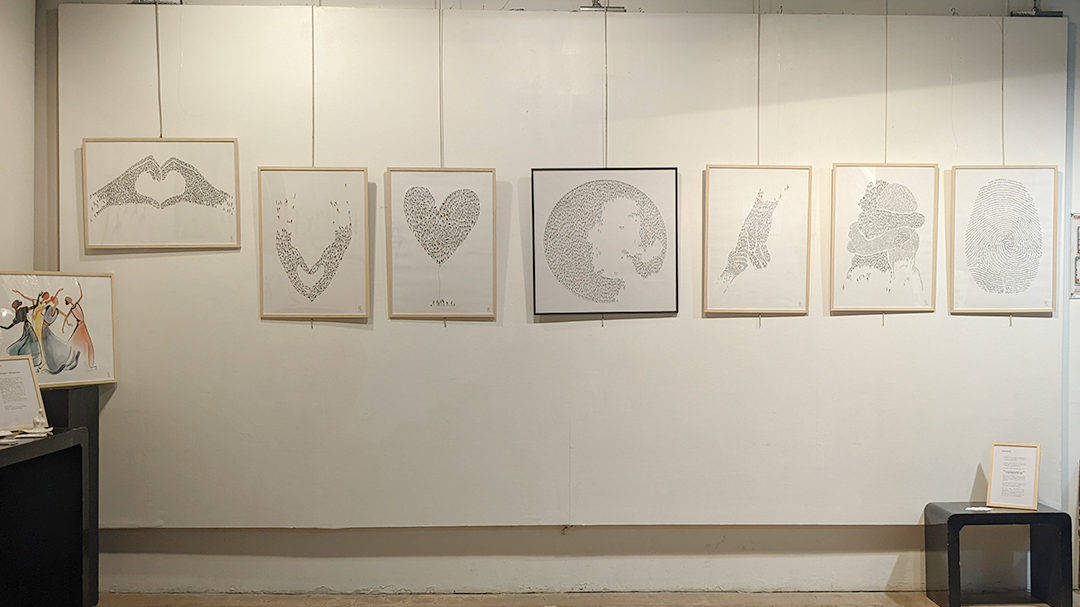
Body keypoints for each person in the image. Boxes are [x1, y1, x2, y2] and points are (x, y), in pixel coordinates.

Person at [62, 282, 95, 368]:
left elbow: (81, 296)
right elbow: (66, 317)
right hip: (80, 326)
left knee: (87, 343)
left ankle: (90, 363)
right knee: (81, 343)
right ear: (68, 301)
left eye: (69, 298)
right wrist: (64, 326)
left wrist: (80, 286)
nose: (69, 298)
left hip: (83, 325)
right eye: (68, 299)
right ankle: (83, 362)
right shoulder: (72, 309)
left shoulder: (76, 303)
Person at [1, 300, 41, 365]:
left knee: (30, 341)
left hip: (27, 326)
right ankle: (31, 358)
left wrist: (39, 297)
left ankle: (34, 359)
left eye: (13, 303)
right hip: (26, 327)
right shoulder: (19, 313)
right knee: (29, 341)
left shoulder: (21, 310)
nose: (12, 304)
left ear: (15, 305)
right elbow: (9, 327)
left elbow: (35, 306)